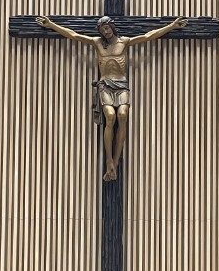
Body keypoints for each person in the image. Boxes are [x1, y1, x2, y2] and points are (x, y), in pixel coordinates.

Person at [34, 13, 188, 181]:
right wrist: (51, 25)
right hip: (105, 84)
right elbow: (74, 35)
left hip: (121, 84)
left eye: (107, 28)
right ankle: (109, 160)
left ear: (112, 27)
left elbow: (147, 36)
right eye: (102, 30)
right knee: (110, 116)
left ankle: (115, 162)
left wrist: (172, 26)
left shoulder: (124, 42)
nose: (105, 32)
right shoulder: (98, 43)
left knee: (122, 115)